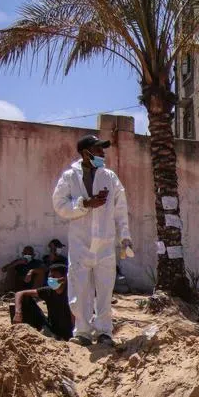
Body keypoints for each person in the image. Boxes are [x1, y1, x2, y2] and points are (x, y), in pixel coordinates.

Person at [51, 133, 132, 346]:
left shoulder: (110, 177)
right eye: (97, 150)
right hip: (81, 243)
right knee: (80, 289)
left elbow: (120, 208)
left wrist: (125, 236)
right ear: (85, 153)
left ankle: (104, 331)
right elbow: (59, 205)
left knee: (105, 289)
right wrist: (85, 204)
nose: (102, 153)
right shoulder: (70, 176)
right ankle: (82, 332)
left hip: (105, 243)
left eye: (102, 150)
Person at [12, 263, 73, 340]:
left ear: (63, 279)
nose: (50, 280)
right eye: (49, 277)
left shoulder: (71, 293)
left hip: (68, 331)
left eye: (53, 277)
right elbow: (19, 293)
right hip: (52, 327)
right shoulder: (48, 291)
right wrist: (18, 312)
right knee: (25, 299)